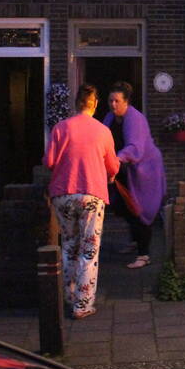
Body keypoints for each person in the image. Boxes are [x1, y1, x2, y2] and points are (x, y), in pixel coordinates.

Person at [44, 84, 120, 320]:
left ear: (75, 103)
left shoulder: (60, 128)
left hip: (63, 194)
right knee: (89, 250)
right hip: (91, 194)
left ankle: (69, 296)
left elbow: (49, 162)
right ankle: (83, 305)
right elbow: (113, 166)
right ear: (95, 104)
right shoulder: (103, 131)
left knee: (68, 245)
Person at [103, 81, 166, 269]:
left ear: (126, 102)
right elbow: (102, 137)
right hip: (124, 169)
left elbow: (135, 147)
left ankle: (144, 254)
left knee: (139, 209)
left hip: (145, 171)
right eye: (110, 100)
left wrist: (116, 158)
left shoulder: (135, 118)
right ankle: (135, 241)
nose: (113, 104)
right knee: (122, 205)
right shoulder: (110, 118)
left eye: (117, 101)